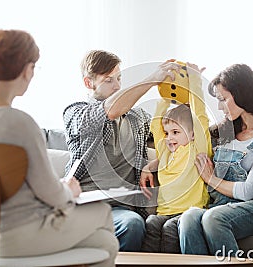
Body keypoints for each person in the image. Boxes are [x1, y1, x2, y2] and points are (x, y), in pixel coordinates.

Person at [0, 29, 118, 267]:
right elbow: (51, 195)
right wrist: (69, 189)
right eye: (33, 68)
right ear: (26, 69)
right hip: (23, 234)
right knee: (103, 212)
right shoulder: (20, 123)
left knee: (104, 242)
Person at [63, 50, 180, 251]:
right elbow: (108, 111)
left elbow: (178, 133)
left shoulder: (137, 118)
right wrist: (152, 79)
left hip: (121, 211)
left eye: (119, 78)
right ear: (88, 83)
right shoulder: (75, 113)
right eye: (108, 80)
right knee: (131, 223)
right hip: (84, 207)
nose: (117, 86)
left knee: (133, 224)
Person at [178, 64, 253, 257]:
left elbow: (247, 191)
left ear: (241, 94)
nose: (219, 106)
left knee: (213, 218)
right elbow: (188, 138)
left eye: (223, 99)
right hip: (222, 204)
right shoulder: (223, 131)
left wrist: (211, 179)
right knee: (189, 217)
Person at [140, 63, 212, 253]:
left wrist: (195, 80)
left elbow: (200, 115)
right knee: (152, 222)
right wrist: (164, 95)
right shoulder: (165, 151)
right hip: (164, 212)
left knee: (170, 229)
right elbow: (156, 126)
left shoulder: (196, 148)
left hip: (188, 211)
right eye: (167, 133)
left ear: (193, 133)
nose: (169, 137)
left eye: (175, 132)